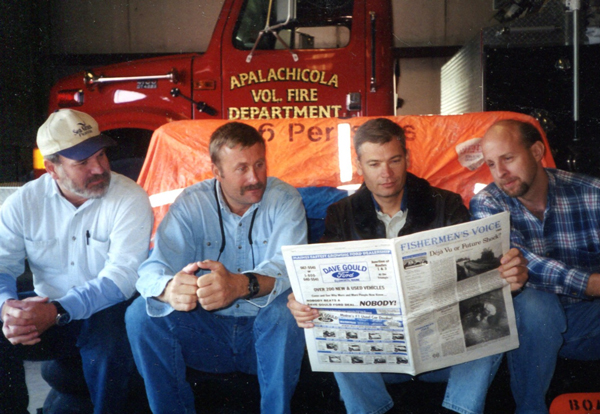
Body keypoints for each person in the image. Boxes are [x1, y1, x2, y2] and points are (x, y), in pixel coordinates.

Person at [287, 118, 528, 414]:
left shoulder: (446, 204)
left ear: (407, 159)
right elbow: (324, 289)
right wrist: (303, 300)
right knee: (334, 331)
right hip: (379, 356)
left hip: (444, 351)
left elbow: (480, 277)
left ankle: (461, 410)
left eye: (394, 160)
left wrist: (506, 277)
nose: (386, 174)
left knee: (489, 329)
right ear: (360, 165)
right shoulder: (341, 213)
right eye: (374, 164)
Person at [125, 121, 308, 414]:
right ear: (217, 172)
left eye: (260, 164)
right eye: (241, 168)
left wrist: (239, 285)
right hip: (206, 335)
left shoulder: (285, 199)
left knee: (284, 313)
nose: (255, 177)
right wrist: (170, 289)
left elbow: (290, 269)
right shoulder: (191, 203)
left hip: (263, 334)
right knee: (140, 315)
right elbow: (151, 269)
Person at [0, 109, 153, 414]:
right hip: (49, 307)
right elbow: (3, 264)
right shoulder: (24, 202)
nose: (99, 168)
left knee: (111, 339)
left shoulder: (129, 198)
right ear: (52, 169)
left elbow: (122, 276)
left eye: (101, 155)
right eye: (83, 163)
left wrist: (57, 311)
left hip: (108, 308)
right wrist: (9, 308)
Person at [466, 119, 600, 413]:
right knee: (537, 303)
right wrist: (590, 283)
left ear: (537, 151)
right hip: (533, 324)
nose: (500, 173)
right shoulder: (487, 204)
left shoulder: (591, 192)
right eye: (491, 164)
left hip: (587, 318)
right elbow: (520, 261)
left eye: (508, 158)